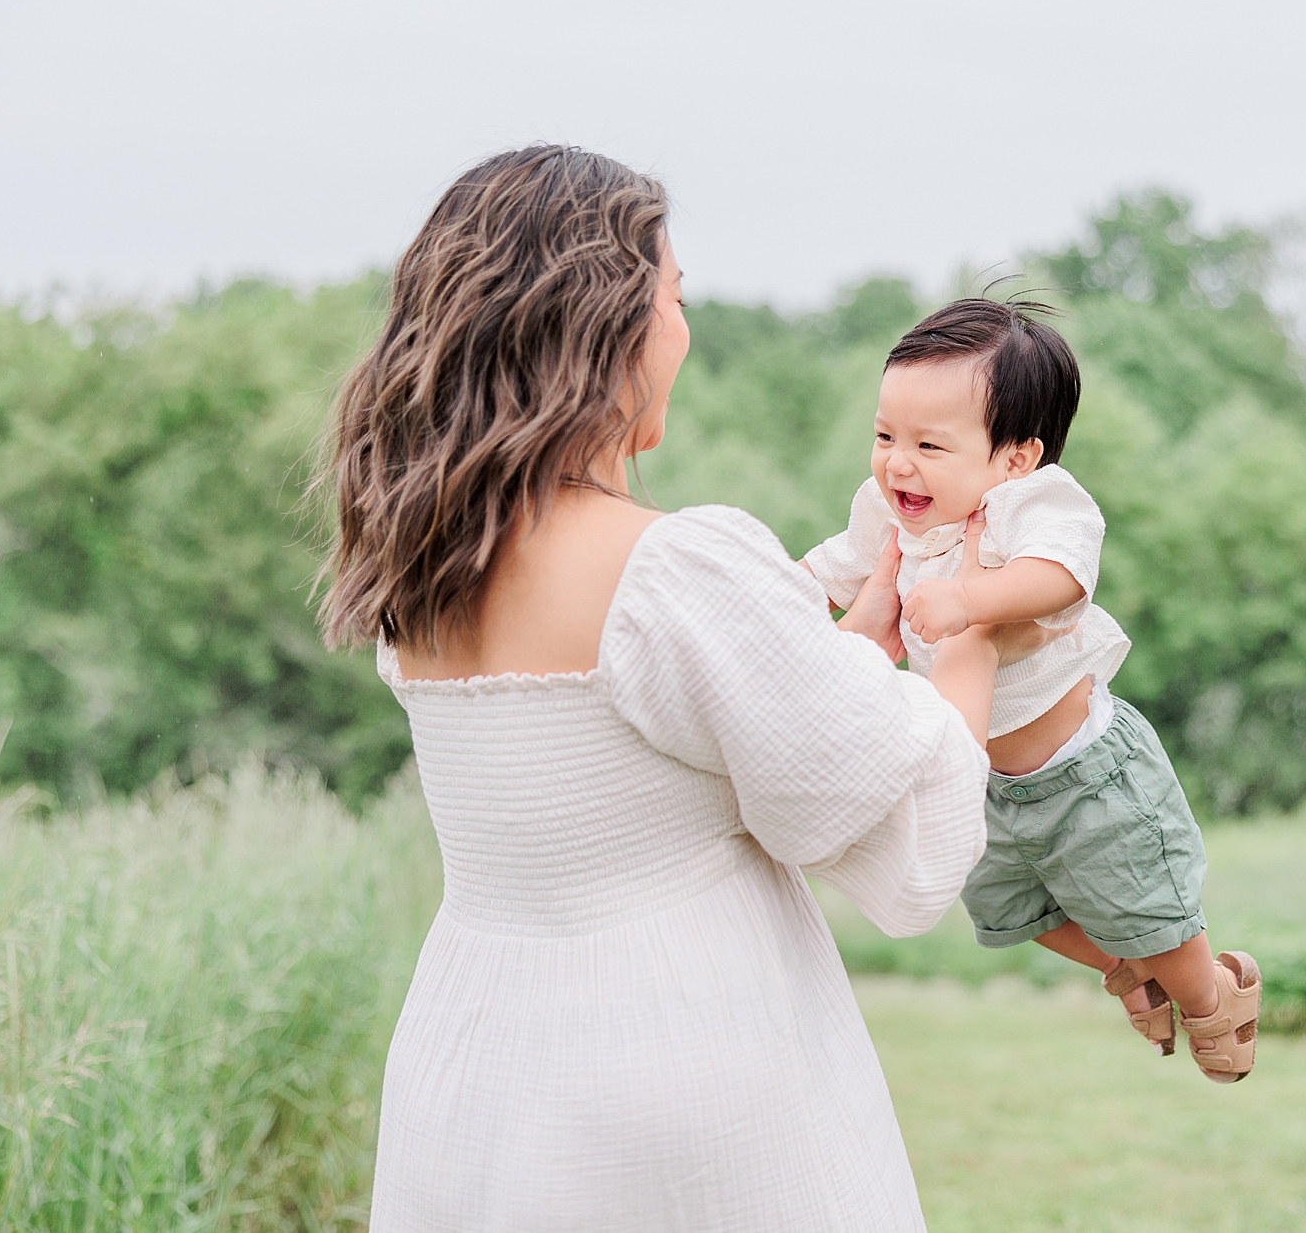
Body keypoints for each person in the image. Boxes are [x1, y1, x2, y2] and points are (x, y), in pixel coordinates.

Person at [317, 146, 1046, 1229]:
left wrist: (843, 648)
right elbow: (905, 851)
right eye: (673, 294)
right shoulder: (672, 566)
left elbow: (653, 767)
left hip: (473, 1065)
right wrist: (981, 627)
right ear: (603, 322)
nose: (681, 329)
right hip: (673, 1065)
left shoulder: (420, 569)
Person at [802, 300, 1262, 1079]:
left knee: (1159, 919)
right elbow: (832, 570)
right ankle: (1132, 970)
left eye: (928, 445)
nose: (896, 464)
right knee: (1019, 917)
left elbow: (1061, 575)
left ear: (1015, 457)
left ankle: (1212, 996)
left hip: (1086, 774)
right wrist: (781, 600)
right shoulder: (886, 514)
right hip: (979, 781)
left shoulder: (1031, 506)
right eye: (884, 437)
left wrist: (969, 601)